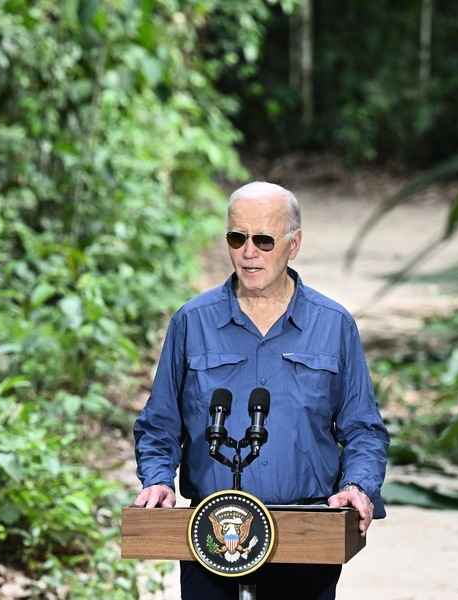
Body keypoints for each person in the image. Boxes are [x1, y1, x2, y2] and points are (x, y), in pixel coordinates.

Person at [132, 181, 389, 600]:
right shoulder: (192, 322)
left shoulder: (333, 325)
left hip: (306, 533)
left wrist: (358, 486)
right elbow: (159, 426)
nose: (248, 252)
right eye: (238, 238)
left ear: (295, 244)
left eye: (264, 240)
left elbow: (363, 429)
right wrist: (158, 480)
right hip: (213, 534)